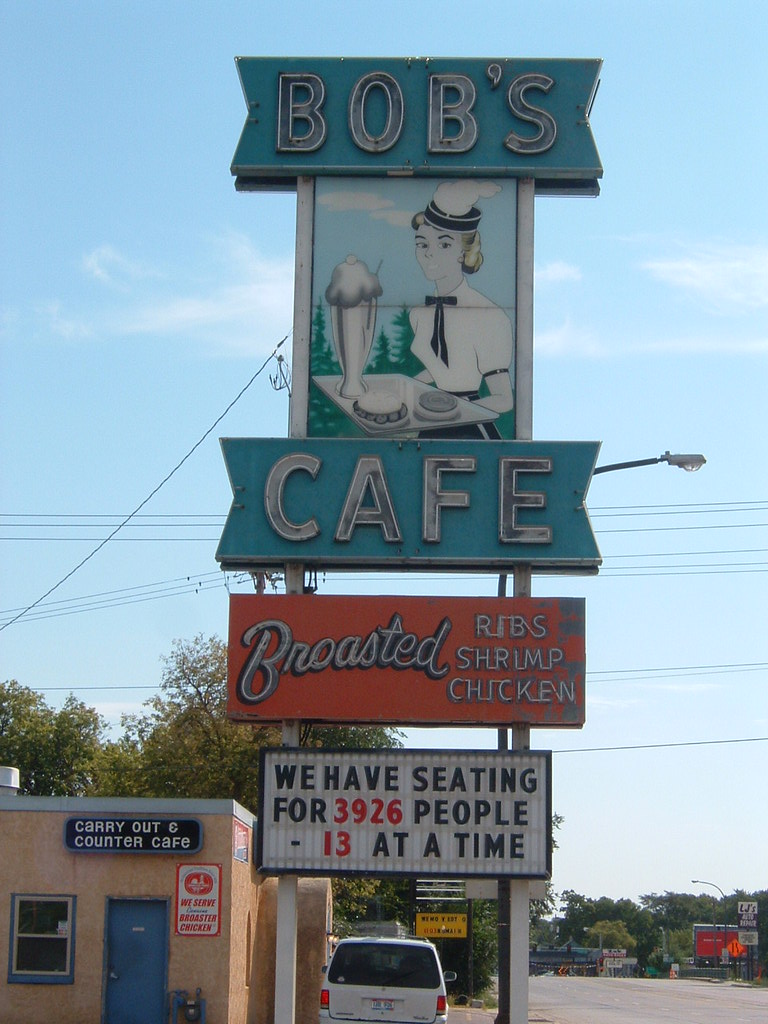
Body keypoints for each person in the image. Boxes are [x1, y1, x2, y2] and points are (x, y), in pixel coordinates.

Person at [409, 180, 514, 438]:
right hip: (432, 424)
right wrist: (408, 389)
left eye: (444, 244)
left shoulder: (489, 316)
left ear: (463, 252)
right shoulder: (419, 314)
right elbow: (447, 370)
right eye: (423, 244)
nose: (429, 254)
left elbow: (503, 399)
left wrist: (455, 410)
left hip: (471, 430)